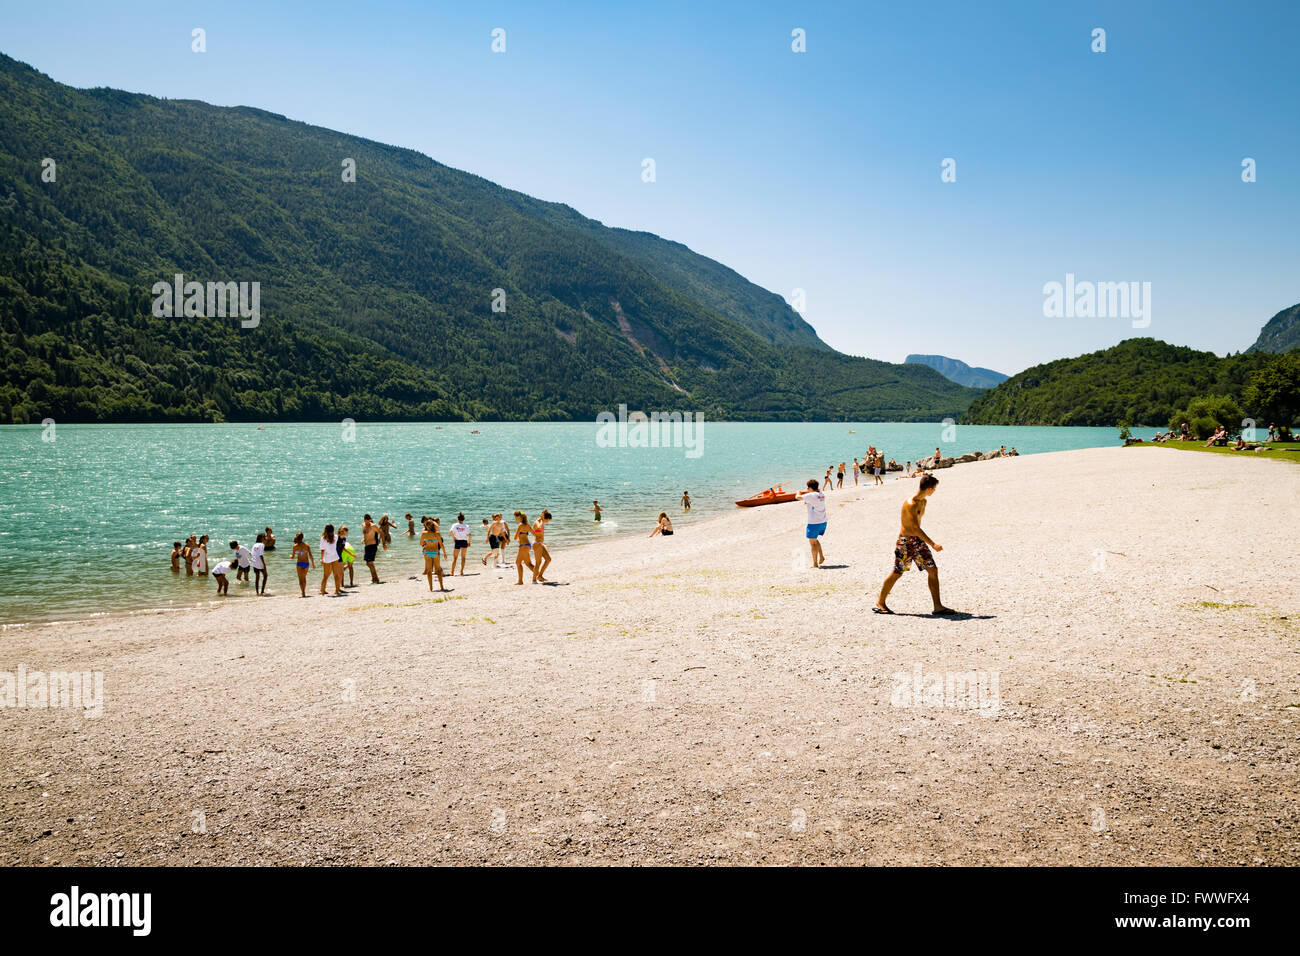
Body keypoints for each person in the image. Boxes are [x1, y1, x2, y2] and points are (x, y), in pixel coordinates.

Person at [874, 474, 954, 616]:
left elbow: (917, 530)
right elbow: (914, 528)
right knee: (897, 572)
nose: (934, 491)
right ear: (929, 489)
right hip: (905, 542)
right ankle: (880, 602)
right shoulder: (910, 504)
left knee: (933, 570)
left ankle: (938, 606)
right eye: (934, 489)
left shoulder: (923, 502)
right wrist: (933, 544)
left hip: (917, 541)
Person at [795, 478, 827, 569]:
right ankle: (821, 556)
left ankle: (815, 563)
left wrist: (798, 492)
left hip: (814, 522)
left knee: (812, 543)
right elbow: (813, 501)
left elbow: (797, 497)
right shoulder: (821, 494)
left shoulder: (811, 495)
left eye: (807, 487)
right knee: (815, 540)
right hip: (823, 520)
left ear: (810, 487)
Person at [419, 518, 448, 592]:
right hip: (435, 552)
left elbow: (421, 543)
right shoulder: (437, 533)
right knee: (438, 570)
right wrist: (444, 553)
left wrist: (426, 543)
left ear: (426, 525)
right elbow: (441, 545)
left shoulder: (424, 533)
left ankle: (431, 588)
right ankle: (441, 587)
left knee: (429, 571)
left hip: (427, 552)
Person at [319, 525, 343, 596]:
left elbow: (322, 550)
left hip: (327, 558)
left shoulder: (323, 538)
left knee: (325, 576)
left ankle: (322, 591)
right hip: (335, 557)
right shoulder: (335, 537)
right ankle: (336, 591)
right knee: (336, 575)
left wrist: (322, 559)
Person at [513, 511, 536, 585]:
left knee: (518, 562)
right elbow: (535, 534)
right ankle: (539, 575)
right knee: (528, 563)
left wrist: (518, 536)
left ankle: (520, 581)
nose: (515, 518)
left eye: (515, 517)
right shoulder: (527, 525)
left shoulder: (520, 525)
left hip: (523, 546)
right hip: (527, 545)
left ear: (519, 517)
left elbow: (515, 537)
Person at [291, 532, 314, 598]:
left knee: (300, 579)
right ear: (303, 538)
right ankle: (304, 592)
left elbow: (292, 557)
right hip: (306, 563)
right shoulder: (307, 545)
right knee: (304, 578)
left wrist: (290, 556)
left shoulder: (295, 546)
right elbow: (310, 555)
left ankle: (303, 592)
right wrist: (313, 564)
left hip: (299, 563)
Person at [532, 510, 553, 582]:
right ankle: (534, 580)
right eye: (548, 520)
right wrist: (541, 518)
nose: (548, 521)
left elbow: (539, 532)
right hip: (537, 544)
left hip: (540, 543)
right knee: (538, 562)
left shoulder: (541, 522)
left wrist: (543, 544)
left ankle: (540, 576)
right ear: (545, 518)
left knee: (548, 559)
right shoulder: (538, 522)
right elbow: (538, 528)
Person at [361, 514, 382, 584]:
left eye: (368, 521)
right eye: (365, 521)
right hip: (367, 546)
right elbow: (365, 534)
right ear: (364, 520)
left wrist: (382, 542)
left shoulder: (373, 526)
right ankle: (374, 578)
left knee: (370, 563)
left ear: (370, 520)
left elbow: (381, 533)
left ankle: (375, 578)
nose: (367, 522)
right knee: (368, 563)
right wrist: (364, 539)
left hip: (372, 545)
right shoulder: (363, 525)